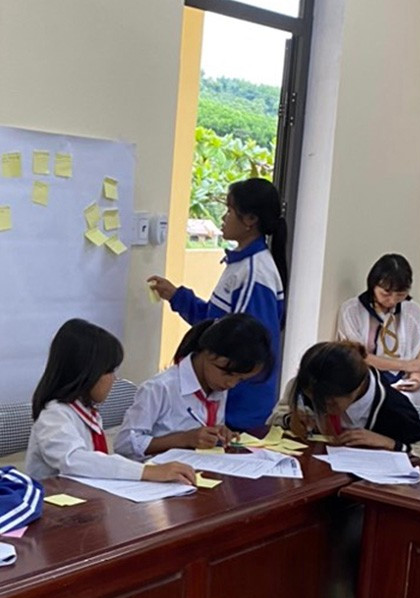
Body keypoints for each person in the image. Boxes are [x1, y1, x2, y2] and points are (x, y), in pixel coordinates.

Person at [148, 178, 286, 430]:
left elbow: (246, 349)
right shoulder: (239, 265)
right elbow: (216, 327)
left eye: (230, 211)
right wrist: (177, 297)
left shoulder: (255, 273)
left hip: (238, 409)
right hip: (224, 404)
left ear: (250, 220)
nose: (224, 218)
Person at [25, 319, 195, 485]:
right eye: (110, 371)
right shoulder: (54, 415)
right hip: (55, 500)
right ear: (86, 373)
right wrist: (147, 472)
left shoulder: (86, 410)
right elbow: (74, 460)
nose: (114, 379)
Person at [114, 313, 273, 461]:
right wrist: (185, 439)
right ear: (208, 352)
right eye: (228, 373)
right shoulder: (159, 388)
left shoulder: (217, 386)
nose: (231, 384)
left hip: (197, 469)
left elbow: (207, 429)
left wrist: (219, 433)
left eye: (240, 379)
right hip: (155, 473)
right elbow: (124, 444)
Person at [269, 341, 420, 462]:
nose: (321, 408)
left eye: (331, 404)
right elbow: (274, 419)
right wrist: (290, 420)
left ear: (357, 388)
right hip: (317, 474)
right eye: (313, 399)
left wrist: (393, 445)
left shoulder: (392, 408)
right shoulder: (308, 384)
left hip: (371, 493)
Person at [337, 253, 420, 406]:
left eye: (400, 295)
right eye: (386, 293)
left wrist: (416, 379)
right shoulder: (352, 310)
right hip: (364, 382)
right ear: (373, 285)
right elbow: (358, 356)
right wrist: (404, 365)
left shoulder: (413, 311)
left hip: (401, 382)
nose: (392, 300)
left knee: (411, 399)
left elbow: (419, 357)